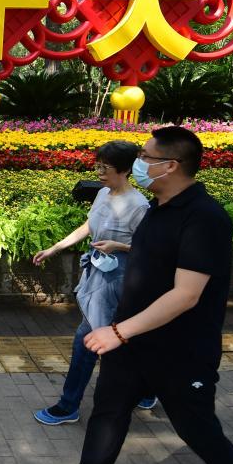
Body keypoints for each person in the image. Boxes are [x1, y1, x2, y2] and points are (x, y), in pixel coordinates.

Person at [36, 126, 233, 464]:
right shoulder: (157, 207)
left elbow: (186, 294)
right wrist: (120, 329)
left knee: (196, 427)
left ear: (172, 165)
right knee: (109, 408)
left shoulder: (204, 218)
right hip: (133, 341)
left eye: (146, 157)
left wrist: (117, 331)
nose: (139, 164)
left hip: (180, 348)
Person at [32, 140, 154, 425]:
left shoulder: (139, 205)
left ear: (124, 170)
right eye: (97, 166)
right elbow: (89, 226)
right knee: (120, 338)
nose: (99, 173)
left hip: (119, 278)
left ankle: (68, 406)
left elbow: (150, 248)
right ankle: (147, 390)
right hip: (98, 270)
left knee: (87, 339)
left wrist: (118, 246)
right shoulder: (102, 193)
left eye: (105, 168)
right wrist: (55, 248)